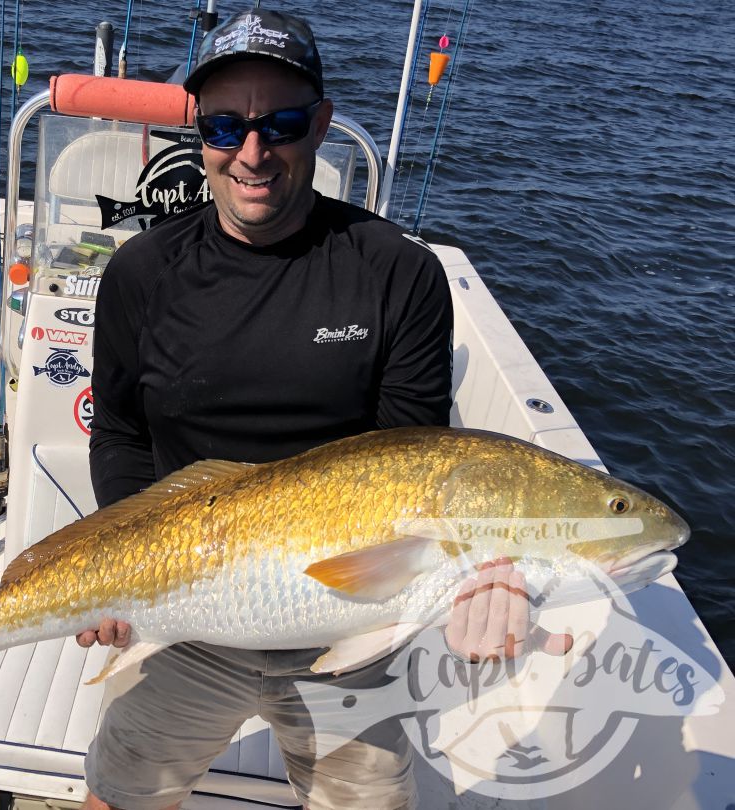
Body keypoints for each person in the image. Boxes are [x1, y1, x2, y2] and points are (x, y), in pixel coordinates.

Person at [77, 9, 570, 809]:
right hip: (187, 610)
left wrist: (489, 578)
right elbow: (122, 435)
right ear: (197, 129)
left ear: (322, 126)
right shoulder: (142, 271)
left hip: (351, 618)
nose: (251, 152)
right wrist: (124, 575)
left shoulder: (398, 274)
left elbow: (415, 470)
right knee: (117, 791)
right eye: (225, 124)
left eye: (282, 122)